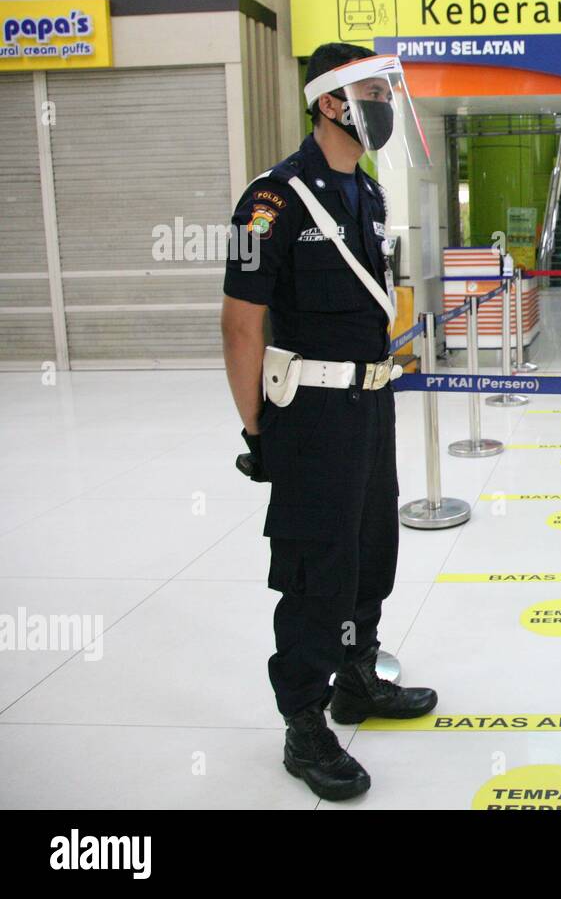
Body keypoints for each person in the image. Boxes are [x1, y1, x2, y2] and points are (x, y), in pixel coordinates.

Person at [221, 43, 436, 802]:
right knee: (319, 566)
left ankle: (356, 677)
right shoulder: (272, 199)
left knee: (372, 549)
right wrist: (257, 433)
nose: (384, 103)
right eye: (373, 91)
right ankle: (304, 723)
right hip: (309, 411)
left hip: (371, 402)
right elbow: (241, 324)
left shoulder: (368, 194)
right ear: (330, 102)